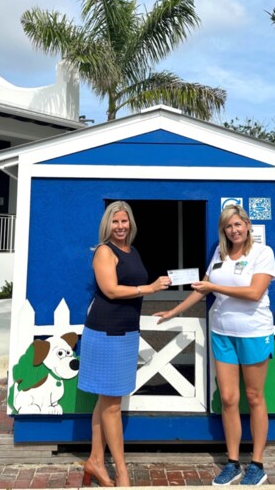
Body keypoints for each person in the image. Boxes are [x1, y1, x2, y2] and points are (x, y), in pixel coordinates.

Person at [154, 204, 275, 487]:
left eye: (238, 224)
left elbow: (254, 292)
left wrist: (214, 289)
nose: (234, 230)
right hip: (222, 333)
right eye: (228, 226)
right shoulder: (219, 254)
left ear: (247, 225)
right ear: (223, 230)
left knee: (255, 397)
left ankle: (257, 464)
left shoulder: (263, 253)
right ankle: (233, 463)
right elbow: (202, 288)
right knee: (229, 399)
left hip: (254, 334)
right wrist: (174, 311)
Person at [78, 201, 171, 487]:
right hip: (107, 332)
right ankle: (121, 472)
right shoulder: (105, 251)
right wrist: (150, 288)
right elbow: (110, 289)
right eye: (115, 222)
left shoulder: (133, 250)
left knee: (105, 401)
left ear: (130, 223)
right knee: (113, 405)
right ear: (108, 224)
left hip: (126, 331)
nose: (120, 226)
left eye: (124, 221)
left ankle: (95, 460)